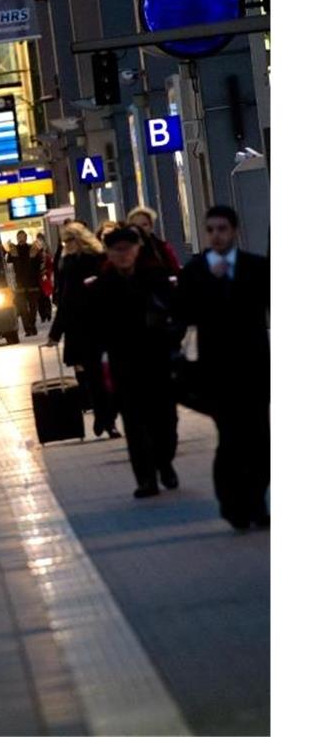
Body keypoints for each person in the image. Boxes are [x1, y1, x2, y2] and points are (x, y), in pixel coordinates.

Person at [174, 205, 270, 530]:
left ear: (234, 231)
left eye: (222, 229)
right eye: (211, 229)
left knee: (259, 441)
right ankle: (233, 505)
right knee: (230, 439)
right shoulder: (196, 272)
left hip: (255, 369)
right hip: (217, 373)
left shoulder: (256, 268)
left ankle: (256, 502)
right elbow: (181, 315)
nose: (216, 236)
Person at [87, 224, 181, 498]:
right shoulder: (102, 286)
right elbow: (95, 327)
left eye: (128, 249)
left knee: (166, 422)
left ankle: (164, 462)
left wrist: (172, 335)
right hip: (123, 364)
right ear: (108, 253)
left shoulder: (155, 277)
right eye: (117, 250)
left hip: (158, 360)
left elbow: (177, 312)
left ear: (137, 250)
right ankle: (146, 479)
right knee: (135, 424)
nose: (123, 255)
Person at [47, 222, 120, 439]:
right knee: (94, 378)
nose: (66, 245)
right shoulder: (67, 264)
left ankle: (107, 415)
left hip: (102, 324)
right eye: (64, 241)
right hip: (80, 328)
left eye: (69, 240)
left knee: (111, 376)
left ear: (79, 240)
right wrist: (55, 332)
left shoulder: (99, 258)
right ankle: (105, 419)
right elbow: (65, 300)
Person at [5, 230, 42, 336]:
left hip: (32, 284)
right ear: (17, 238)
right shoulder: (13, 251)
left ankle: (32, 325)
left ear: (26, 237)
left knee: (33, 308)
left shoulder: (33, 249)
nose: (21, 239)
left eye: (22, 236)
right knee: (22, 309)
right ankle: (28, 329)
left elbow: (39, 264)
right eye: (19, 237)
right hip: (19, 285)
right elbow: (9, 267)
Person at [126, 206, 181, 275]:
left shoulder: (162, 248)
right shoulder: (123, 249)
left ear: (151, 226)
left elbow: (175, 270)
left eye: (144, 224)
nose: (140, 228)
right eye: (136, 225)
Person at [36, 232, 54, 323]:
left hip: (45, 277)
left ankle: (48, 314)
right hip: (38, 278)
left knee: (45, 296)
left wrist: (47, 272)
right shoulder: (35, 254)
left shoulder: (46, 254)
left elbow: (50, 266)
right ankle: (43, 315)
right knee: (40, 298)